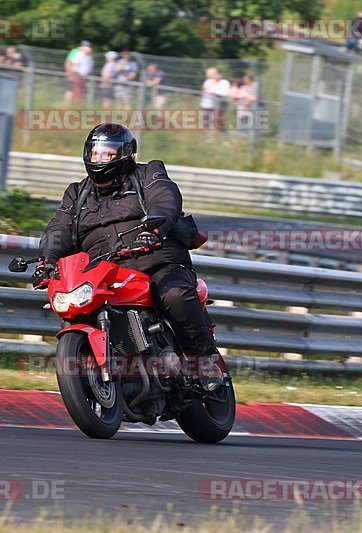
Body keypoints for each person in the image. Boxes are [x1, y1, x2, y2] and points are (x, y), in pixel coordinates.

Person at [34, 123, 225, 391]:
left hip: (158, 260)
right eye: (96, 153)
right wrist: (47, 259)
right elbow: (59, 228)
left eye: (109, 154)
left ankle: (204, 362)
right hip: (106, 272)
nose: (100, 159)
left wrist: (155, 229)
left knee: (174, 295)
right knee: (77, 307)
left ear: (126, 154)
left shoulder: (148, 173)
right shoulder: (76, 194)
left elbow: (165, 198)